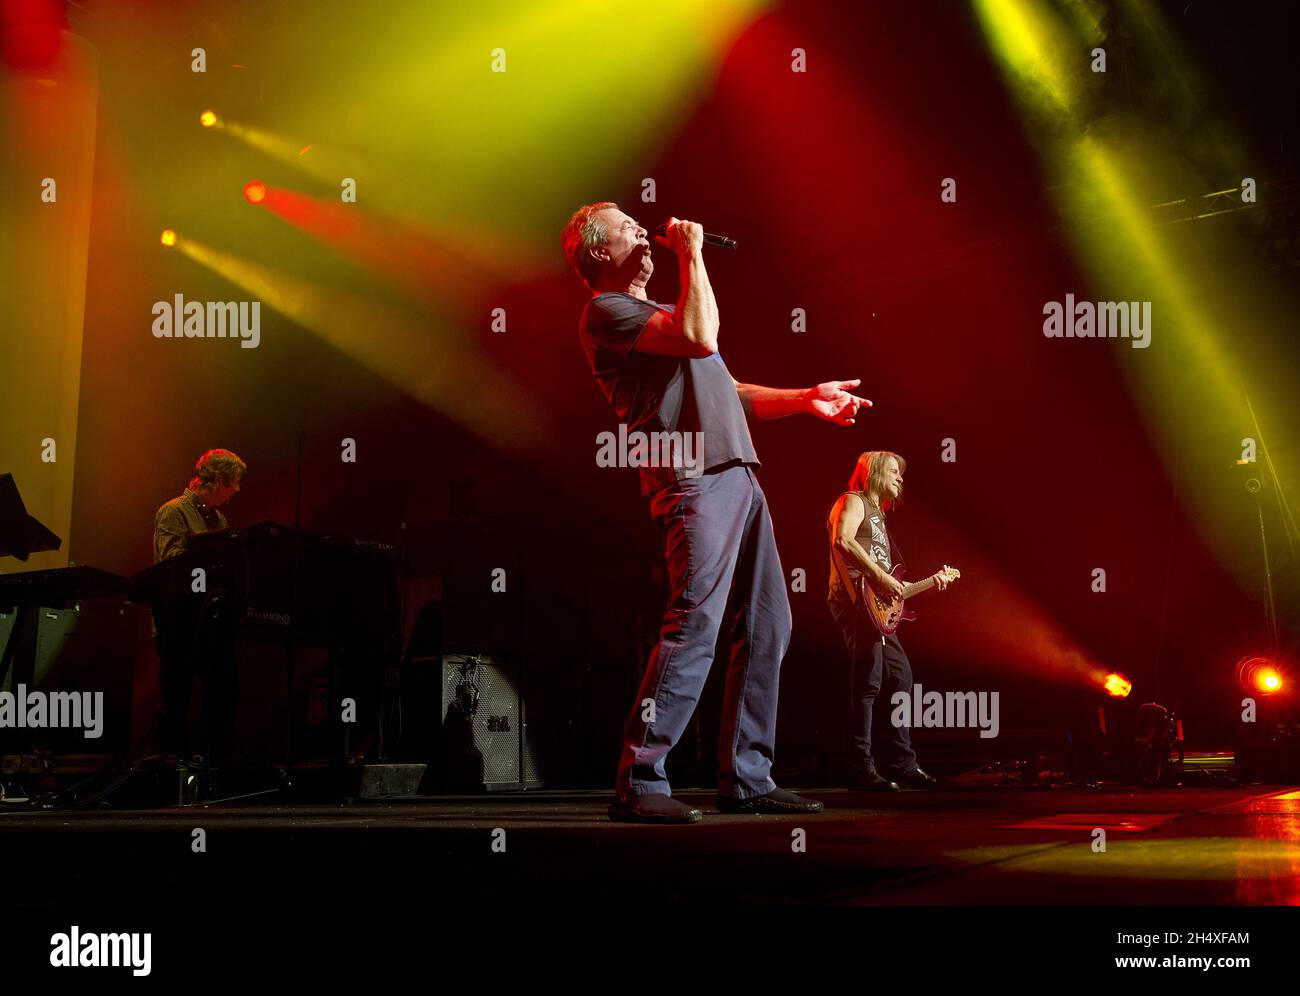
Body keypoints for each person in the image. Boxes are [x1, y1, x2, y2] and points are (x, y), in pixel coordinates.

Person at [562, 200, 870, 823]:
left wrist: (808, 399)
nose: (644, 234)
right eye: (627, 228)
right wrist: (693, 253)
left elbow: (727, 388)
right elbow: (702, 337)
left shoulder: (658, 316)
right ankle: (641, 779)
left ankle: (748, 777)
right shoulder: (607, 311)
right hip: (692, 477)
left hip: (737, 475)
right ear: (600, 253)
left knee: (769, 624)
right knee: (694, 622)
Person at [827, 451, 945, 790]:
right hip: (853, 603)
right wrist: (880, 576)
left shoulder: (880, 517)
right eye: (894, 471)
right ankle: (859, 766)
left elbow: (893, 586)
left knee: (901, 677)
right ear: (873, 472)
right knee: (868, 681)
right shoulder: (853, 501)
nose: (901, 478)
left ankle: (901, 763)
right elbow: (843, 540)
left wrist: (928, 585)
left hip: (877, 610)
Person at [152, 448, 246, 769]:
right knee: (176, 697)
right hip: (176, 622)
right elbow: (170, 562)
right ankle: (172, 768)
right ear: (218, 479)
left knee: (224, 688)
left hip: (209, 623)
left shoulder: (218, 519)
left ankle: (215, 764)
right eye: (233, 483)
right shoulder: (173, 512)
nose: (237, 490)